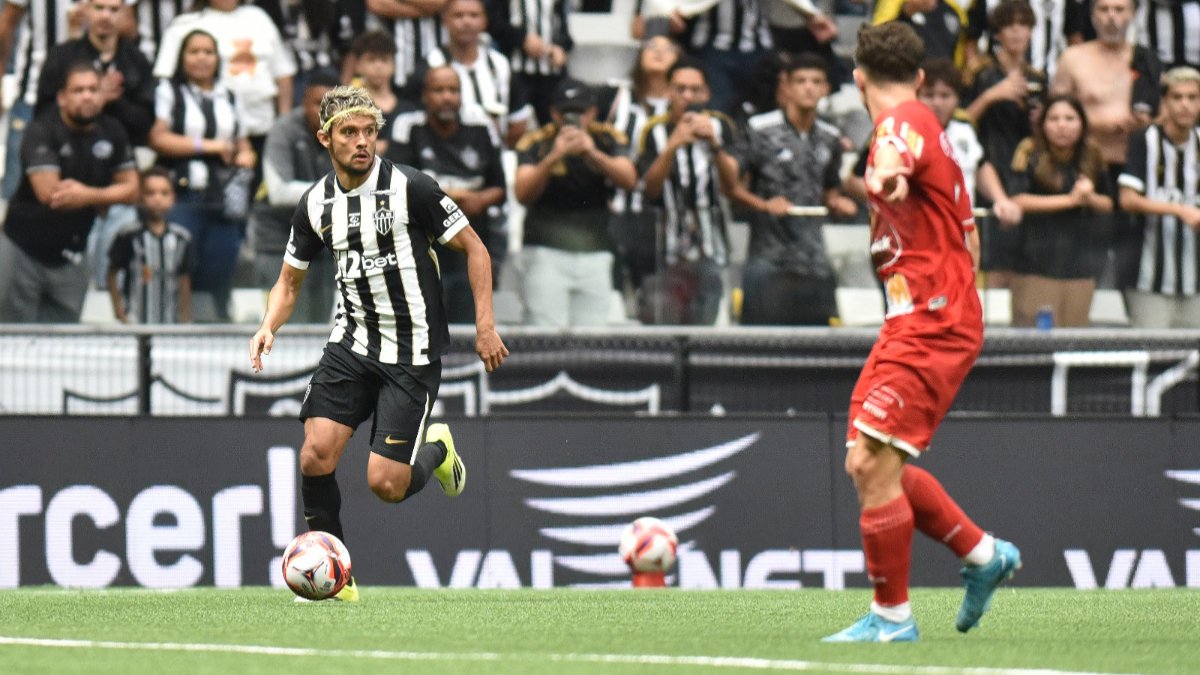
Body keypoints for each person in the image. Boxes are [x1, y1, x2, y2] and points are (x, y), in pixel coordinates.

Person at [248, 85, 508, 603]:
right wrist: (268, 324)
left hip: (412, 353)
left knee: (386, 485)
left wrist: (485, 326)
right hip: (351, 343)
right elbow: (289, 282)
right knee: (314, 456)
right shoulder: (315, 203)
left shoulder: (413, 188)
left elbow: (475, 249)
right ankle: (338, 581)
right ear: (325, 138)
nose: (362, 141)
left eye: (369, 131)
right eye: (349, 132)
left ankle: (437, 451)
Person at [822, 22, 1019, 644]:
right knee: (871, 463)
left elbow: (890, 161)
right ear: (920, 76)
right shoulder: (934, 128)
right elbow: (970, 238)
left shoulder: (899, 125)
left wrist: (883, 177)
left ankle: (892, 619)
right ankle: (984, 555)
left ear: (858, 78)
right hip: (922, 316)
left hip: (931, 321)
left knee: (870, 462)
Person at [0, 63, 139, 323]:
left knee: (64, 338)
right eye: (78, 90)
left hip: (73, 254)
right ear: (62, 97)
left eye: (93, 90)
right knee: (13, 336)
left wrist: (88, 195)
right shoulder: (41, 129)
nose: (87, 96)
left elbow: (133, 190)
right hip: (23, 248)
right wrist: (109, 195)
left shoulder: (113, 131)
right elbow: (52, 195)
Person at [728, 53, 857, 325]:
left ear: (826, 88)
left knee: (820, 345)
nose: (808, 88)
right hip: (768, 258)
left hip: (814, 260)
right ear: (786, 86)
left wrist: (837, 202)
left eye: (816, 81)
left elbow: (830, 188)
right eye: (801, 81)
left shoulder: (830, 137)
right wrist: (764, 205)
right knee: (758, 344)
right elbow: (731, 188)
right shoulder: (759, 130)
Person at [36, 0, 157, 289]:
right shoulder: (63, 56)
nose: (105, 16)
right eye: (99, 7)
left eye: (114, 9)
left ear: (125, 14)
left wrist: (111, 101)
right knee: (68, 275)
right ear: (85, 11)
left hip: (118, 179)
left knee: (114, 269)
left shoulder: (136, 59)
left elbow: (146, 123)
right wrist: (96, 98)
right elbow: (43, 115)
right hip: (69, 175)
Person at [149, 28, 257, 322]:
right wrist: (209, 146)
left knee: (222, 264)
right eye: (194, 51)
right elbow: (158, 138)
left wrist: (246, 156)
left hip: (223, 197)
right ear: (182, 57)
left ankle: (214, 325)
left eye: (208, 52)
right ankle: (176, 324)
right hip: (184, 194)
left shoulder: (229, 96)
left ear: (217, 58)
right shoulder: (169, 91)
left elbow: (243, 143)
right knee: (178, 265)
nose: (201, 58)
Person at [387, 66, 508, 324]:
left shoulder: (481, 126)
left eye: (453, 90)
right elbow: (394, 183)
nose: (447, 97)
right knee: (425, 323)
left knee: (466, 322)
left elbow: (500, 188)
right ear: (425, 96)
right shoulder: (408, 126)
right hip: (421, 246)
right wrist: (452, 196)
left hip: (470, 243)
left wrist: (479, 200)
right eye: (439, 90)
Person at [513, 78, 637, 326]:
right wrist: (553, 156)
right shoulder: (537, 142)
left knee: (592, 335)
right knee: (544, 332)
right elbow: (522, 193)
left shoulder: (607, 138)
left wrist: (592, 153)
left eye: (580, 112)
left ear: (593, 112)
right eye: (566, 112)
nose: (573, 119)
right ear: (553, 113)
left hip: (595, 249)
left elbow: (629, 179)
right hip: (545, 250)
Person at [638, 57, 739, 324]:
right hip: (667, 248)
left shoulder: (722, 126)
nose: (688, 96)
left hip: (711, 244)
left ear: (707, 93)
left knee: (706, 325)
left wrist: (715, 144)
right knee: (666, 325)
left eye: (695, 90)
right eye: (680, 89)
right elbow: (650, 188)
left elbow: (734, 184)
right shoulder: (653, 130)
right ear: (668, 91)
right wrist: (672, 146)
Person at [1007, 95, 1113, 327]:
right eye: (1054, 119)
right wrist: (1070, 200)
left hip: (1080, 265)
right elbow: (1017, 198)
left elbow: (1108, 202)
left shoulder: (1092, 153)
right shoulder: (1029, 150)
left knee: (1075, 336)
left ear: (1082, 123)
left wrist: (1089, 197)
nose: (1062, 125)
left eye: (1069, 118)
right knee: (1035, 336)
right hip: (1036, 263)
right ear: (1043, 123)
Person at [251, 69, 340, 324]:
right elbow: (279, 192)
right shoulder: (283, 130)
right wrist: (339, 191)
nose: (324, 112)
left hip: (322, 241)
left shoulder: (346, 132)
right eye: (317, 104)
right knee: (285, 322)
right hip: (279, 240)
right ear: (303, 102)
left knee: (320, 322)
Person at [1117, 66, 1200, 328]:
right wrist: (1180, 210)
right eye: (1177, 97)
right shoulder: (1145, 140)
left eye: (1192, 97)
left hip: (1195, 279)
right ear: (1164, 102)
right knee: (1152, 349)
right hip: (1148, 278)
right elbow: (1127, 199)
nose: (1185, 105)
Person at [423, 0, 532, 148]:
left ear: (485, 21)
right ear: (445, 20)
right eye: (458, 15)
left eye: (473, 15)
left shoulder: (500, 64)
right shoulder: (431, 64)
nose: (466, 22)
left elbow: (519, 117)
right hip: (444, 152)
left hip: (496, 152)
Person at [107, 167, 195, 324]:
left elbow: (184, 279)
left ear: (173, 197)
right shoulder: (128, 235)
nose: (157, 199)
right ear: (140, 197)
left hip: (170, 323)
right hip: (135, 321)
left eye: (164, 193)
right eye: (150, 193)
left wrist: (184, 316)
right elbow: (113, 273)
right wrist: (119, 311)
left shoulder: (182, 238)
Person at [487, 0, 572, 124]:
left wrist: (561, 48)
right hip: (517, 71)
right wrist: (522, 39)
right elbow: (492, 20)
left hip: (551, 73)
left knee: (554, 124)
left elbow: (562, 26)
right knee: (517, 122)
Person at [365, 0, 447, 95]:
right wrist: (426, 11)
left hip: (433, 57)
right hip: (396, 66)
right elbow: (376, 4)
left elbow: (440, 3)